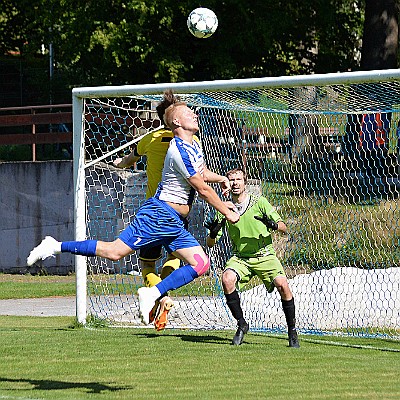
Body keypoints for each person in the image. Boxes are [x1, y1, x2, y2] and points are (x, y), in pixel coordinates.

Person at [27, 89, 239, 327]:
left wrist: (221, 179)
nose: (195, 115)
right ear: (177, 121)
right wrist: (227, 211)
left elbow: (201, 175)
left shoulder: (193, 146)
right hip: (158, 216)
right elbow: (201, 188)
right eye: (189, 113)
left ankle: (152, 293)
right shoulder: (178, 149)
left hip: (175, 223)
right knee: (115, 252)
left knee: (201, 263)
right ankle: (54, 245)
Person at [113, 101, 200, 331]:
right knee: (174, 258)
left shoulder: (150, 139)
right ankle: (163, 293)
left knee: (147, 263)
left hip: (156, 213)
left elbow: (130, 160)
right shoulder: (193, 141)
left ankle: (159, 296)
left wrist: (119, 163)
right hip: (180, 213)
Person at [205, 167, 299, 347]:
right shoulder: (223, 208)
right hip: (240, 257)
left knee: (283, 285)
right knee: (227, 279)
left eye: (238, 179)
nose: (235, 183)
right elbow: (210, 244)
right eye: (231, 180)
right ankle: (241, 325)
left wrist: (272, 224)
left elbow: (284, 227)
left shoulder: (260, 202)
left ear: (245, 183)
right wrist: (213, 231)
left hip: (265, 255)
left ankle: (292, 330)